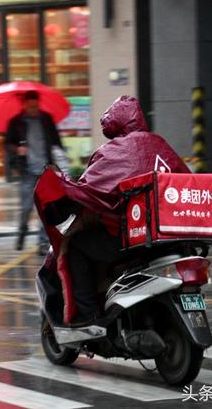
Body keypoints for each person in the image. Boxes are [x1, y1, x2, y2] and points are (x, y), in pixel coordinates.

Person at [57, 95, 190, 326]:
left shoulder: (116, 150)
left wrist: (67, 192)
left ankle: (88, 315)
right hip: (170, 235)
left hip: (130, 239)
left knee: (78, 247)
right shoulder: (161, 144)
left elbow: (88, 187)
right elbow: (187, 180)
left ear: (116, 126)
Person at [5, 90, 63, 255]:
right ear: (24, 105)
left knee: (44, 209)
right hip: (27, 171)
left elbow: (56, 141)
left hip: (45, 170)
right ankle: (22, 230)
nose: (33, 109)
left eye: (36, 106)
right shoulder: (16, 122)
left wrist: (59, 161)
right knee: (26, 208)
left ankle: (43, 243)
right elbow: (7, 143)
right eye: (30, 106)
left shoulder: (46, 120)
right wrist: (17, 148)